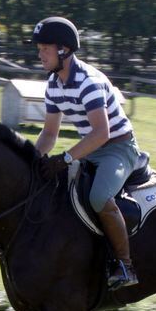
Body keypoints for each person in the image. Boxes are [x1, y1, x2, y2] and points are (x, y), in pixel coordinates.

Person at [31, 16, 142, 288]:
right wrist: (31, 160)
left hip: (118, 149)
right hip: (91, 149)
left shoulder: (88, 82)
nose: (40, 54)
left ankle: (126, 267)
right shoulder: (53, 85)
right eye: (40, 49)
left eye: (45, 48)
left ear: (63, 50)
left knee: (98, 196)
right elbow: (49, 134)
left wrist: (66, 158)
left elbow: (101, 133)